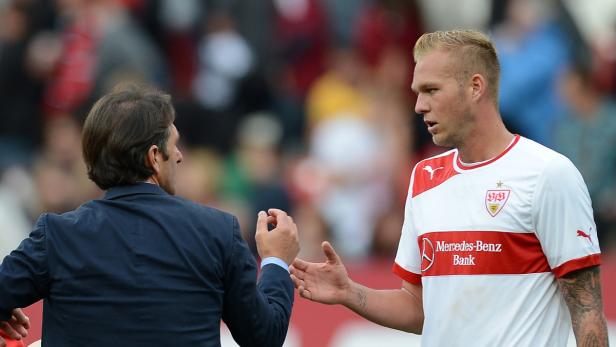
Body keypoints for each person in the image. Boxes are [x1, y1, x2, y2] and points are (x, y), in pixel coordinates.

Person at [290, 29, 608, 346]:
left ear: (475, 87)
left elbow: (586, 310)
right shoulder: (425, 177)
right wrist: (349, 292)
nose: (419, 106)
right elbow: (417, 308)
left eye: (431, 90)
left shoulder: (548, 174)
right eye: (416, 92)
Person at [0, 85, 300, 347]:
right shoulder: (217, 231)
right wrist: (275, 261)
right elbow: (264, 337)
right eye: (174, 144)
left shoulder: (57, 234)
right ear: (154, 157)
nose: (180, 155)